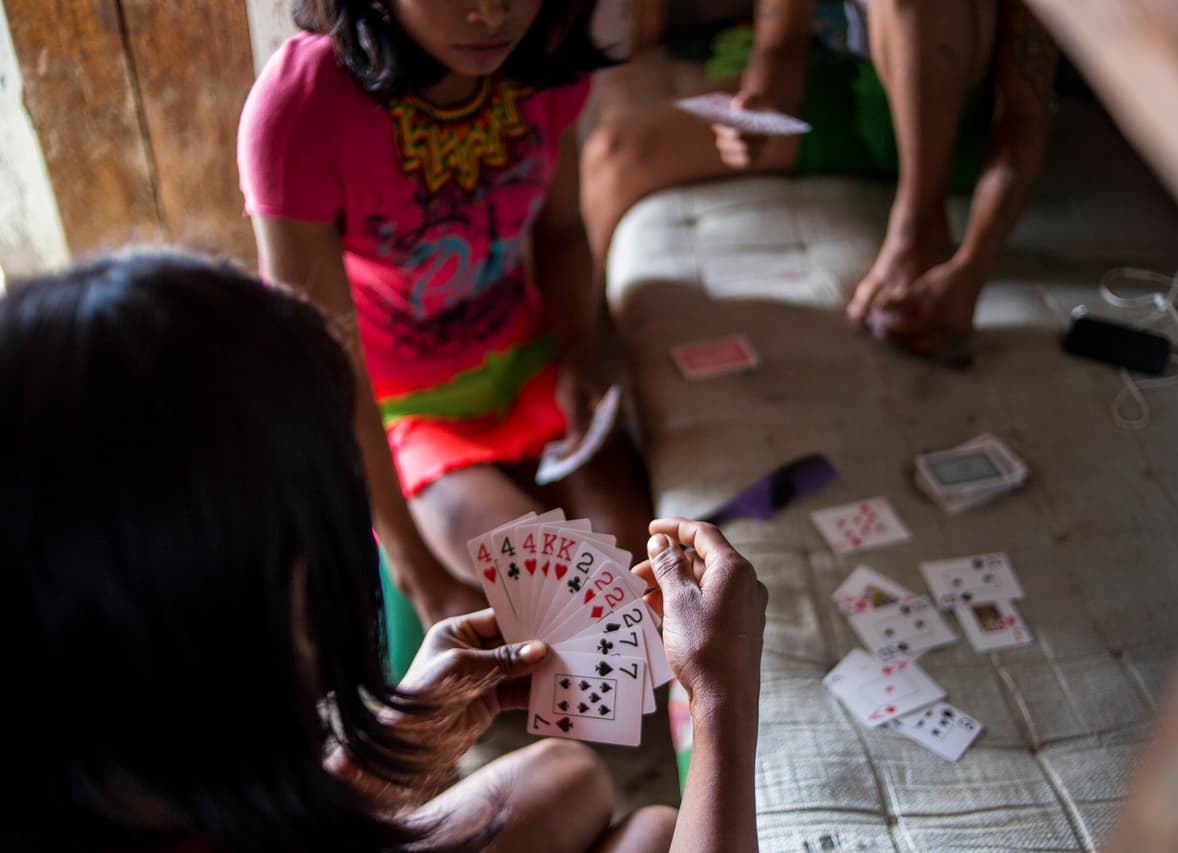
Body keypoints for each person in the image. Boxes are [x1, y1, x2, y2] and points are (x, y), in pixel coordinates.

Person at [4, 249, 768, 852]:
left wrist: (405, 736)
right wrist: (722, 696)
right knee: (655, 832)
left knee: (566, 774)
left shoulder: (100, 752)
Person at [237, 0, 654, 670]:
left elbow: (564, 232)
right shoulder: (301, 107)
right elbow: (317, 363)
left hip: (526, 360)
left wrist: (581, 349)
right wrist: (410, 566)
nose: (489, 13)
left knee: (636, 579)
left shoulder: (548, 46)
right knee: (564, 604)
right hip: (405, 407)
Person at [582, 0, 1058, 357]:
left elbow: (1023, 117)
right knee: (613, 156)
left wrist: (972, 265)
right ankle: (589, 373)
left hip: (949, 128)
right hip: (844, 83)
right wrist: (758, 112)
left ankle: (918, 222)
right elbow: (780, 48)